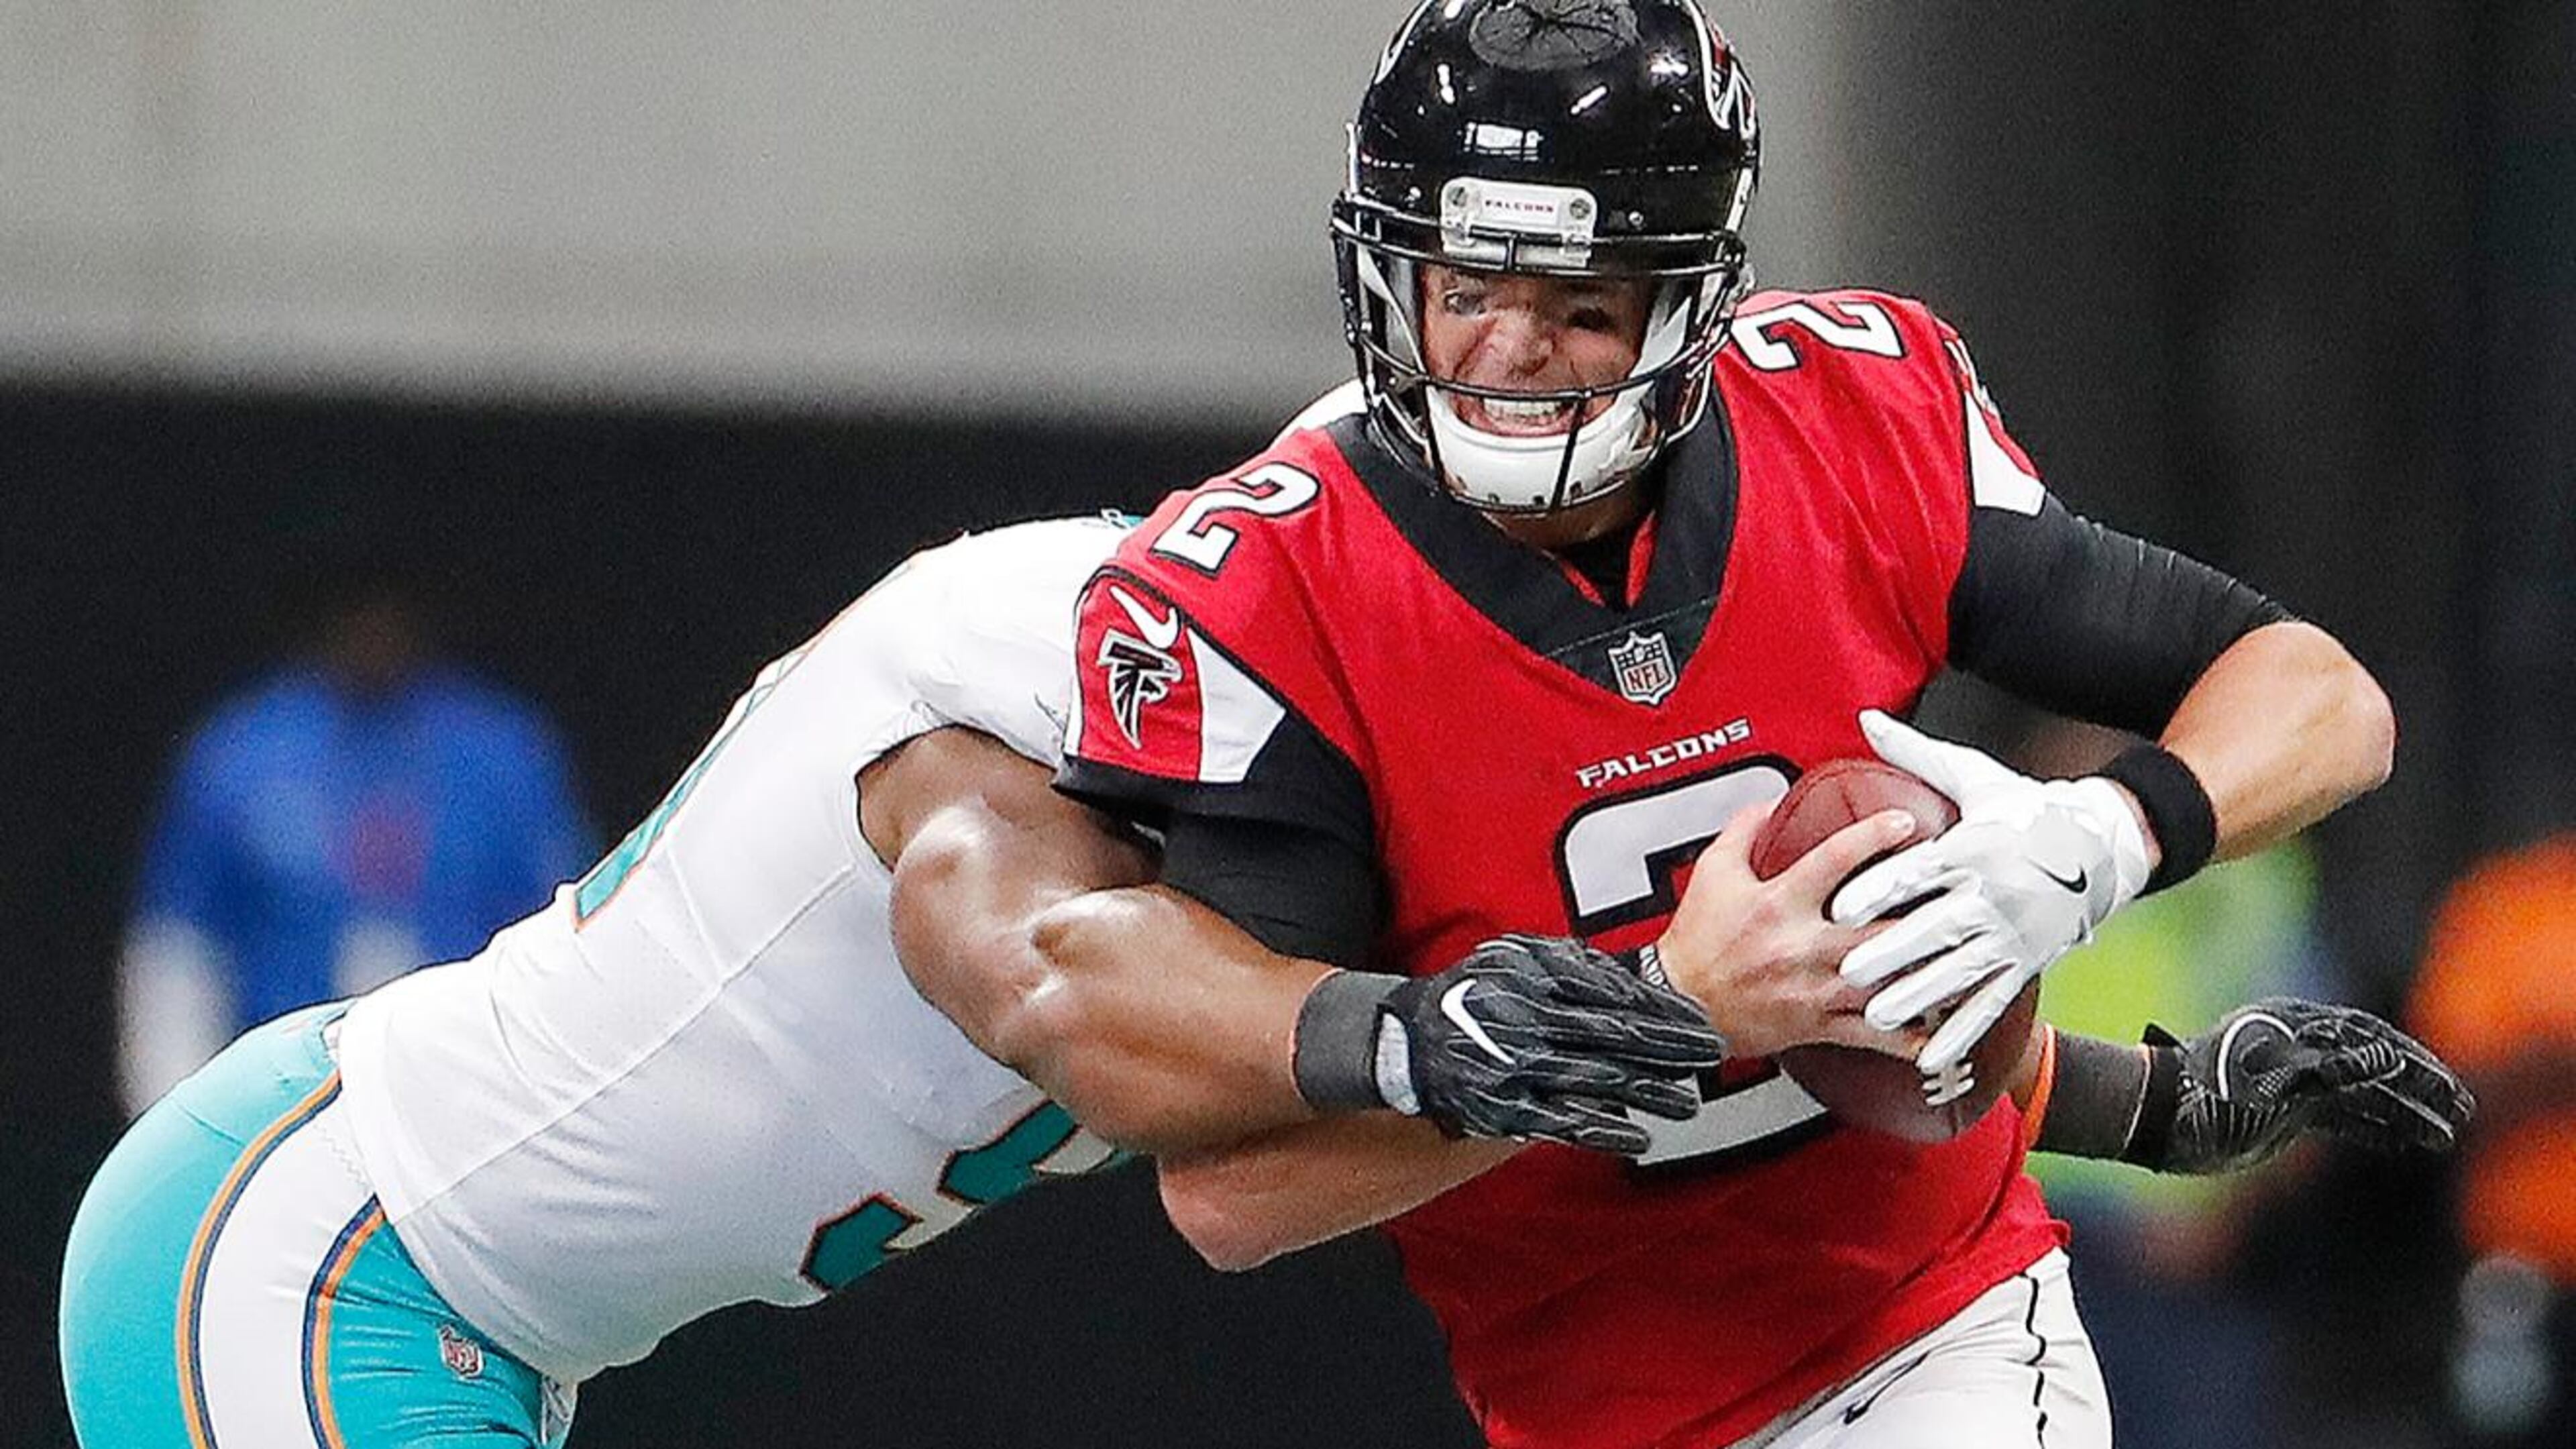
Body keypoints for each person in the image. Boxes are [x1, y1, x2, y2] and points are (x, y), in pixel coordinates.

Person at [58, 514, 2462, 1449]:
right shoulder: (1026, 677)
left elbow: (1744, 1033)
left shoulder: (1386, 756)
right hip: (329, 1241)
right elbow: (1042, 974)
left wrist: (2154, 1096)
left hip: (511, 1326)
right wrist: (1529, 1025)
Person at [1051, 3, 2408, 1445]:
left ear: (1687, 303)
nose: (1509, 351)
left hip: (1933, 1335)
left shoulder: (1845, 420)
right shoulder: (1275, 594)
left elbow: (2325, 698)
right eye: (1466, 286)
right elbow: (1234, 1195)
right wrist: (1660, 1018)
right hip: (1585, 1412)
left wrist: (2099, 838)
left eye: (1581, 305)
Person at [119, 568, 592, 1114]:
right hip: (283, 1108)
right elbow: (177, 956)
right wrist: (176, 1124)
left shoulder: (503, 753)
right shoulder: (241, 754)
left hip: (469, 1102)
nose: (373, 629)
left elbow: (569, 941)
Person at [2410, 833, 2576, 1446]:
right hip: (2522, 1276)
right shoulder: (2509, 903)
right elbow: (2442, 1096)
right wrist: (2552, 1068)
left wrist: (2543, 1053)